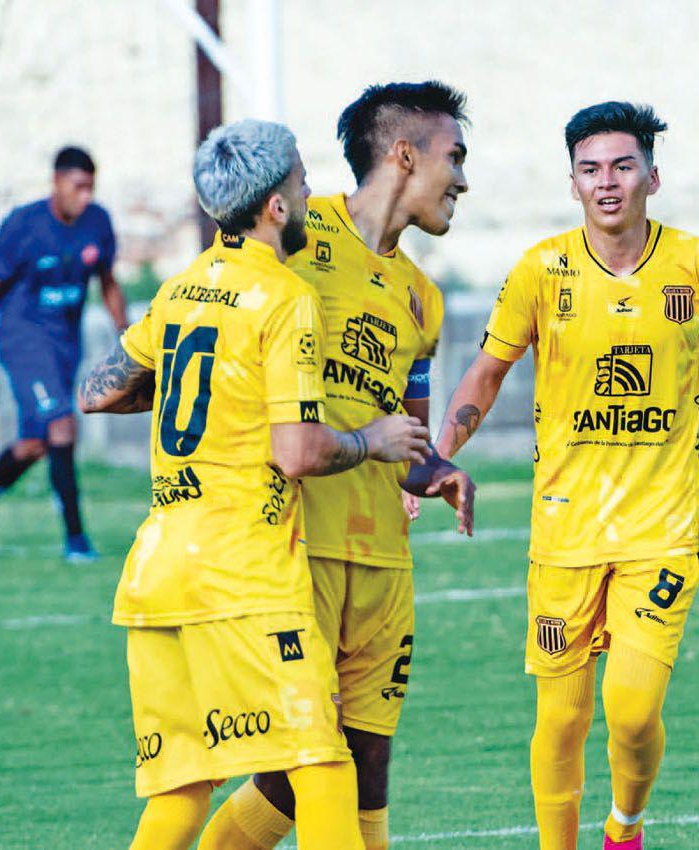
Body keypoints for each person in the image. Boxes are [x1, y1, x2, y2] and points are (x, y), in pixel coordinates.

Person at [77, 118, 431, 850]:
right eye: (302, 184)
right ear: (276, 205)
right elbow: (297, 452)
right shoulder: (284, 296)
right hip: (243, 575)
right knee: (325, 766)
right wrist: (373, 441)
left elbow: (98, 392)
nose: (308, 195)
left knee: (180, 794)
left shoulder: (179, 292)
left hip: (157, 573)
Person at [436, 101, 699, 850]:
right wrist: (443, 451)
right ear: (573, 183)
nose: (606, 182)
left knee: (634, 709)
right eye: (590, 169)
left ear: (652, 175)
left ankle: (626, 824)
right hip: (564, 529)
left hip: (663, 525)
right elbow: (485, 374)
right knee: (561, 719)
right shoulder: (540, 270)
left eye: (621, 165)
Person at [201, 81, 476, 850]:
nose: (461, 178)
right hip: (293, 545)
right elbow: (214, 318)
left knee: (368, 762)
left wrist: (436, 471)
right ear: (403, 155)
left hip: (381, 555)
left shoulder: (423, 299)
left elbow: (407, 440)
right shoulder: (292, 228)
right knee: (305, 769)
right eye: (453, 157)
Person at [0, 146, 126, 562]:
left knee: (35, 444)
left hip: (64, 345)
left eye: (91, 187)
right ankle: (76, 541)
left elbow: (108, 281)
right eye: (78, 186)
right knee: (62, 424)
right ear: (56, 183)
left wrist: (127, 334)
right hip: (23, 340)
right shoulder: (23, 226)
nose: (86, 195)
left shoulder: (98, 223)